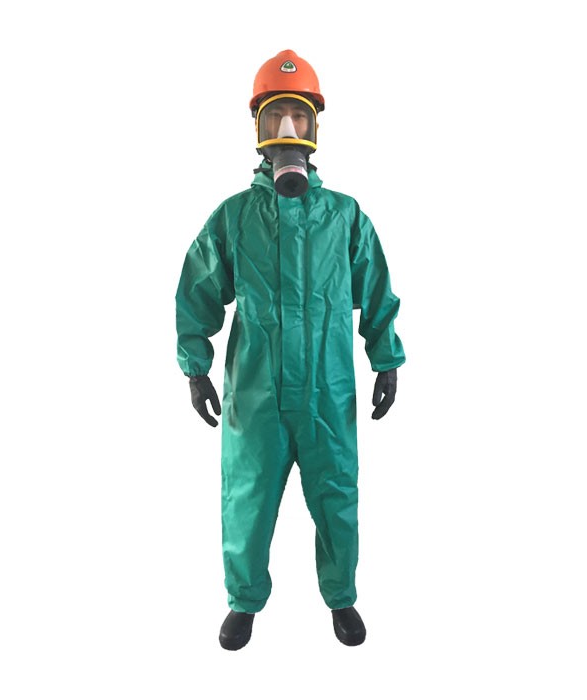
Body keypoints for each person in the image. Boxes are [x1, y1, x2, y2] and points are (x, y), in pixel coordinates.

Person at [175, 49, 405, 650]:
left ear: (315, 128)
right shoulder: (235, 217)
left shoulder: (344, 217)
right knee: (247, 499)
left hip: (329, 392)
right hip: (257, 396)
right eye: (274, 117)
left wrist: (386, 358)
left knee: (337, 497)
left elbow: (376, 288)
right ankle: (244, 600)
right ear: (257, 129)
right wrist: (196, 367)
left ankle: (341, 598)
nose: (287, 130)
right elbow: (199, 289)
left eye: (298, 117)